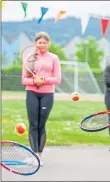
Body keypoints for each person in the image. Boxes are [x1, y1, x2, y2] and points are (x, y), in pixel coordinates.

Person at [21, 31, 61, 166]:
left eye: (44, 42)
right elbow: (24, 79)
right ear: (35, 43)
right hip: (31, 93)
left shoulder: (54, 58)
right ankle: (33, 156)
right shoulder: (29, 58)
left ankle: (40, 155)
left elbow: (58, 79)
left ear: (48, 44)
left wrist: (44, 80)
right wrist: (34, 82)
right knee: (33, 124)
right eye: (39, 42)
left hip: (47, 94)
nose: (42, 45)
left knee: (41, 125)